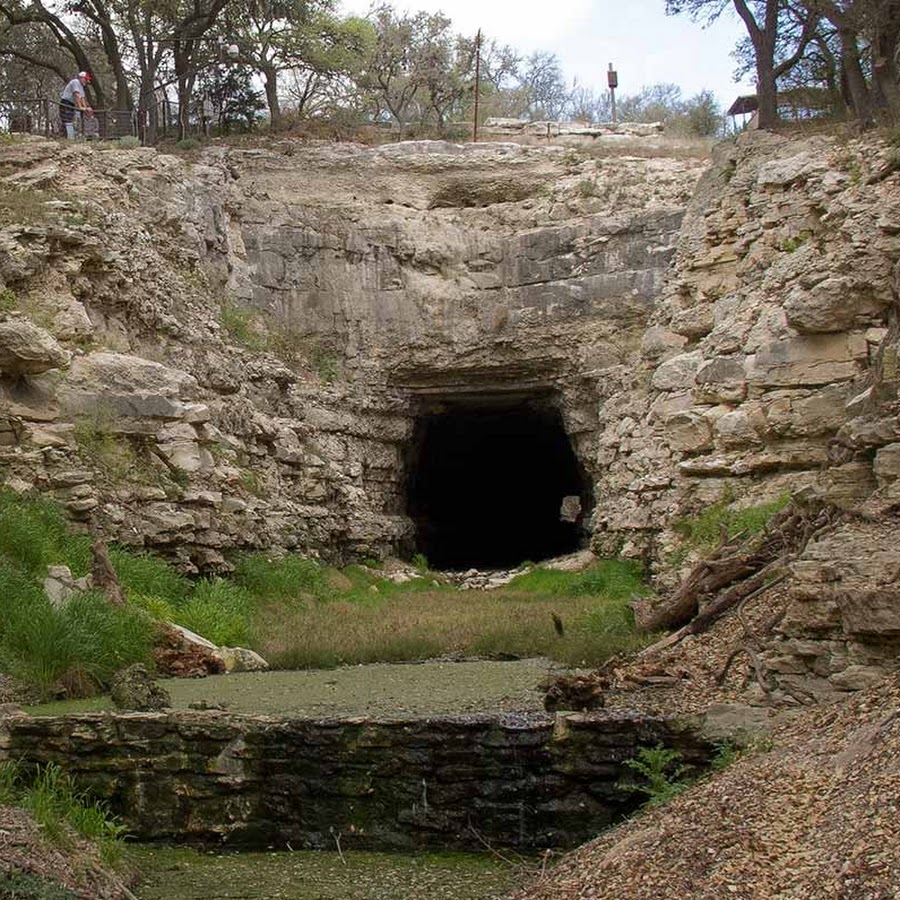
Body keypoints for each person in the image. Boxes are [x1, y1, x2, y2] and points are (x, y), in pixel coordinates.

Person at [59, 72, 92, 140]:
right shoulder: (75, 82)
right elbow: (76, 95)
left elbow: (82, 98)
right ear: (81, 77)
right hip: (66, 103)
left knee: (70, 121)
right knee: (67, 121)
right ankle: (69, 138)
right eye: (85, 79)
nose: (86, 81)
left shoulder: (81, 86)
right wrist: (80, 107)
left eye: (87, 80)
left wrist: (85, 108)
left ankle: (70, 138)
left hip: (71, 104)